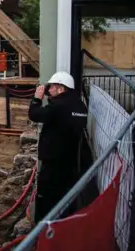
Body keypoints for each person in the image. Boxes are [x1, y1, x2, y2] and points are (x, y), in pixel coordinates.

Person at [29, 71, 93, 224]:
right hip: (71, 161)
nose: (48, 90)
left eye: (51, 87)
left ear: (61, 89)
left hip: (53, 161)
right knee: (65, 195)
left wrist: (36, 99)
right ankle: (64, 222)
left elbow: (35, 115)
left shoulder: (57, 107)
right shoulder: (80, 105)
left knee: (46, 195)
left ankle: (42, 228)